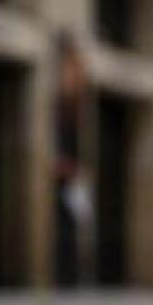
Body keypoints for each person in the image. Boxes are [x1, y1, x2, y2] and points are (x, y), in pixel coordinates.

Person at [52, 34, 91, 288]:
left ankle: (71, 277)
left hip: (72, 180)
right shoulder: (61, 104)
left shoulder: (76, 106)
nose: (80, 75)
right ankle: (64, 278)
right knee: (63, 228)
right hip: (62, 178)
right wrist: (63, 166)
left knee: (72, 227)